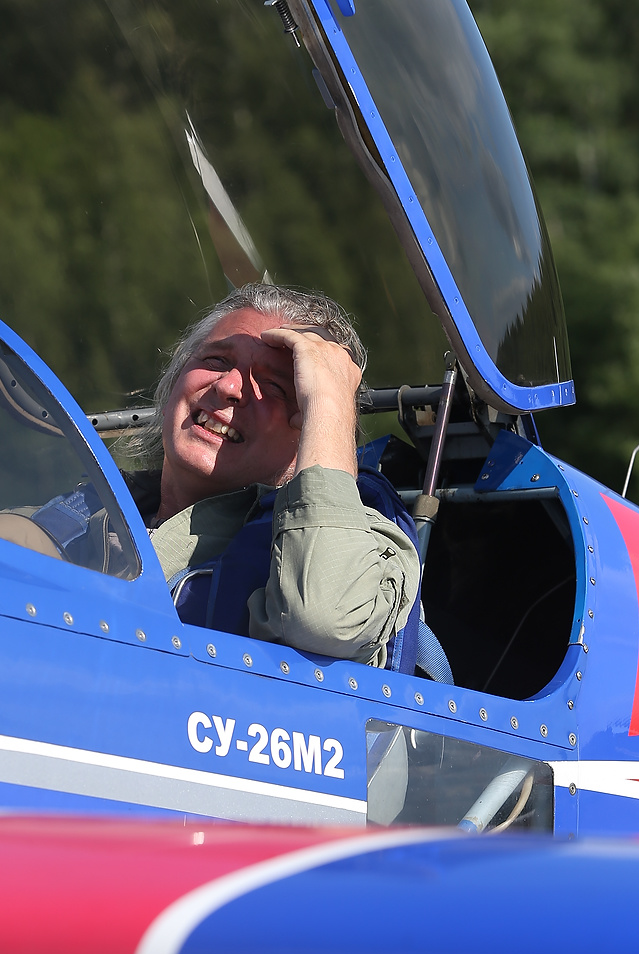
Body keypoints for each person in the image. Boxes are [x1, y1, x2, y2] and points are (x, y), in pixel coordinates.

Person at [124, 283, 421, 669]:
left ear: (311, 430)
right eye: (216, 360)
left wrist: (329, 401)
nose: (228, 386)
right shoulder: (93, 509)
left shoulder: (363, 551)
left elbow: (323, 619)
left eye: (274, 386)